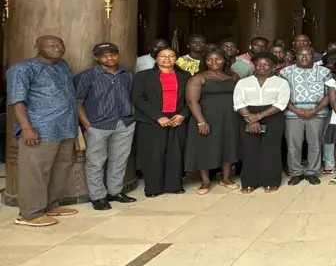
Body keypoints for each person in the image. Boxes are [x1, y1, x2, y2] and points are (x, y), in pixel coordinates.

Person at [7, 36, 80, 226]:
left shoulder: (62, 65)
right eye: (50, 45)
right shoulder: (22, 69)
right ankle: (30, 214)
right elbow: (17, 100)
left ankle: (50, 205)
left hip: (65, 127)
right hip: (40, 129)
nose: (56, 48)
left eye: (59, 44)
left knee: (60, 168)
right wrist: (26, 127)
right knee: (35, 172)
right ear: (37, 47)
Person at [76, 43, 137, 210]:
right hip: (97, 125)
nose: (110, 58)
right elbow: (78, 102)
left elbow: (133, 97)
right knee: (96, 162)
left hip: (124, 123)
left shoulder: (127, 75)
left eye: (113, 54)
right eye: (104, 55)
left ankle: (115, 192)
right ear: (96, 58)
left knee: (119, 159)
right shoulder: (87, 76)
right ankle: (98, 196)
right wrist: (88, 125)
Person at [132, 46, 190, 198]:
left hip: (176, 119)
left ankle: (174, 185)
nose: (167, 59)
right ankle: (153, 187)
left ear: (176, 58)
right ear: (156, 58)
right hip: (151, 120)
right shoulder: (143, 76)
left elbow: (191, 99)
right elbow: (138, 99)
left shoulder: (185, 75)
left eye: (171, 56)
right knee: (153, 154)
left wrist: (183, 115)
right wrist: (158, 116)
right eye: (163, 56)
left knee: (175, 153)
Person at [184, 47, 240, 195]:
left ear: (224, 60)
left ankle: (226, 178)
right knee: (205, 148)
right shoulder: (198, 77)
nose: (214, 62)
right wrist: (201, 121)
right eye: (209, 59)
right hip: (206, 118)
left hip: (229, 118)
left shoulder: (234, 77)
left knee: (227, 146)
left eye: (218, 59)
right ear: (205, 61)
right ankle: (205, 181)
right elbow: (192, 101)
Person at [233, 53, 290, 193]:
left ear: (274, 66)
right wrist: (250, 119)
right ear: (253, 65)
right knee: (249, 149)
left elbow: (281, 103)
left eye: (266, 64)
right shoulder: (243, 82)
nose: (261, 67)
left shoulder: (281, 82)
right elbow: (238, 102)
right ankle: (249, 182)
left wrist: (258, 117)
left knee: (270, 149)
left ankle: (271, 181)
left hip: (273, 116)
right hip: (247, 115)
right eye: (258, 64)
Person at [280, 46, 331, 186]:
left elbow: (329, 94)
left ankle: (312, 172)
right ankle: (296, 172)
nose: (304, 58)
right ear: (295, 55)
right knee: (293, 145)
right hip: (292, 114)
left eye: (307, 55)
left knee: (315, 143)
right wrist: (296, 110)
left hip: (317, 114)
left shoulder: (324, 72)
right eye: (301, 55)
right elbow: (281, 95)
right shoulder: (285, 72)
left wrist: (315, 110)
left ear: (313, 56)